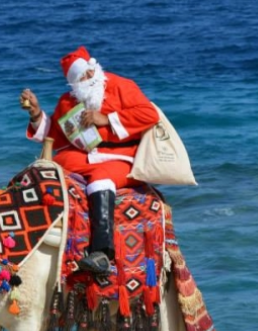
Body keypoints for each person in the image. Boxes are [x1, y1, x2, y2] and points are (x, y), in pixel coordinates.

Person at [21, 46, 159, 275]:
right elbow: (54, 134)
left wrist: (105, 119)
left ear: (94, 68)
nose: (87, 78)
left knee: (100, 180)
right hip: (81, 157)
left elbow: (149, 115)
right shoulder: (68, 100)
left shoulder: (121, 86)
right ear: (73, 83)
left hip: (119, 156)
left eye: (88, 73)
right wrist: (36, 114)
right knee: (42, 173)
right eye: (80, 78)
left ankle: (102, 253)